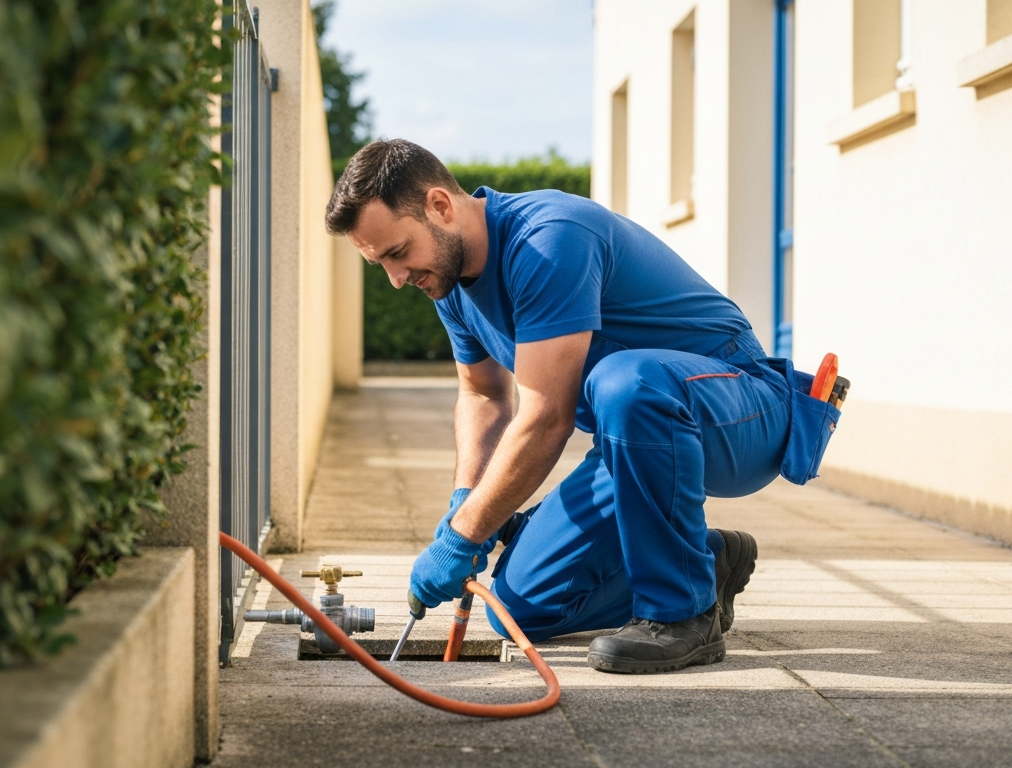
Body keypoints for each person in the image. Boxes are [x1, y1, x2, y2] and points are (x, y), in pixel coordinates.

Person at [324, 139, 790, 674]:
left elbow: (546, 417)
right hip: (636, 441)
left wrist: (464, 536)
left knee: (624, 379)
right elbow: (483, 393)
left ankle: (681, 613)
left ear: (440, 206)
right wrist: (466, 499)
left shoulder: (549, 239)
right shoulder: (449, 284)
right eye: (379, 262)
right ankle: (705, 560)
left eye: (398, 253)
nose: (396, 278)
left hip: (743, 408)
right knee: (519, 608)